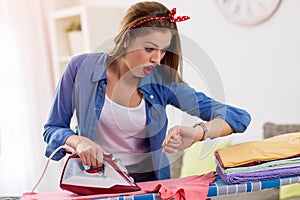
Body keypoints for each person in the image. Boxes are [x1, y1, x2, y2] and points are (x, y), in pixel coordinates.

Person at [43, 1, 251, 182]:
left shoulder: (163, 81)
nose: (157, 59)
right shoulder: (81, 68)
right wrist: (78, 142)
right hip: (94, 184)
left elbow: (237, 117)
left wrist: (197, 134)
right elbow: (53, 128)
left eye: (163, 51)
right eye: (150, 49)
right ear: (126, 40)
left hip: (148, 187)